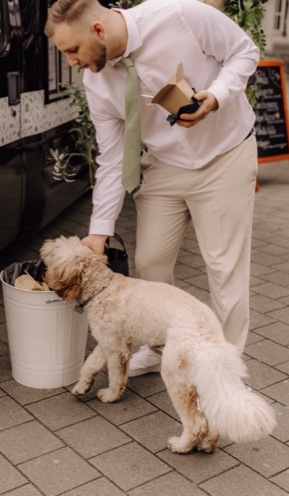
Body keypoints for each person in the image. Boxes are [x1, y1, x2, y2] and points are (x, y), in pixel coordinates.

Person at [45, 0, 259, 376]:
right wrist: (99, 231)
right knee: (150, 262)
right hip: (163, 166)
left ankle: (223, 365)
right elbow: (112, 159)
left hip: (225, 155)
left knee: (225, 268)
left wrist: (217, 95)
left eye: (72, 50)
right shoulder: (97, 82)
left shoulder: (182, 15)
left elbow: (245, 51)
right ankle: (162, 349)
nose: (72, 62)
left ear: (97, 29)